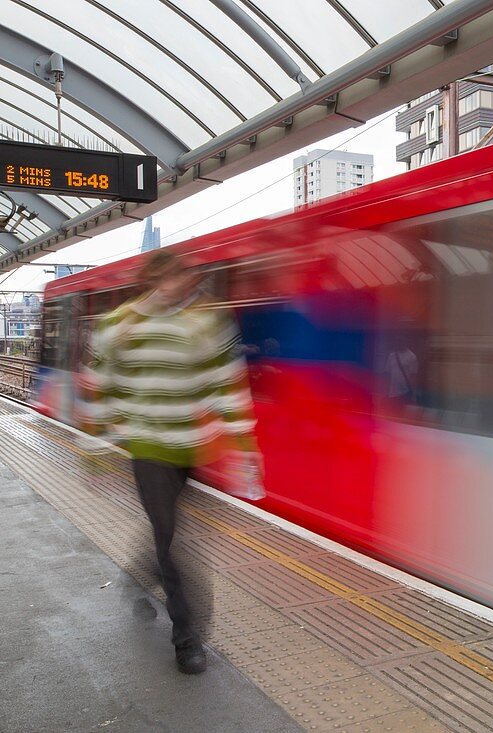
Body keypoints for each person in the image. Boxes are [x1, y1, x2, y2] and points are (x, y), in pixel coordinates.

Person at [80, 249, 261, 675]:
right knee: (175, 542)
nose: (182, 284)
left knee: (167, 536)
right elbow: (97, 385)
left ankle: (141, 569)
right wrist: (93, 448)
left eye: (184, 277)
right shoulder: (119, 326)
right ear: (153, 280)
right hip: (148, 448)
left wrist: (245, 447)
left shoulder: (204, 324)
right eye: (172, 277)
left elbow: (227, 385)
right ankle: (187, 638)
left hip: (192, 446)